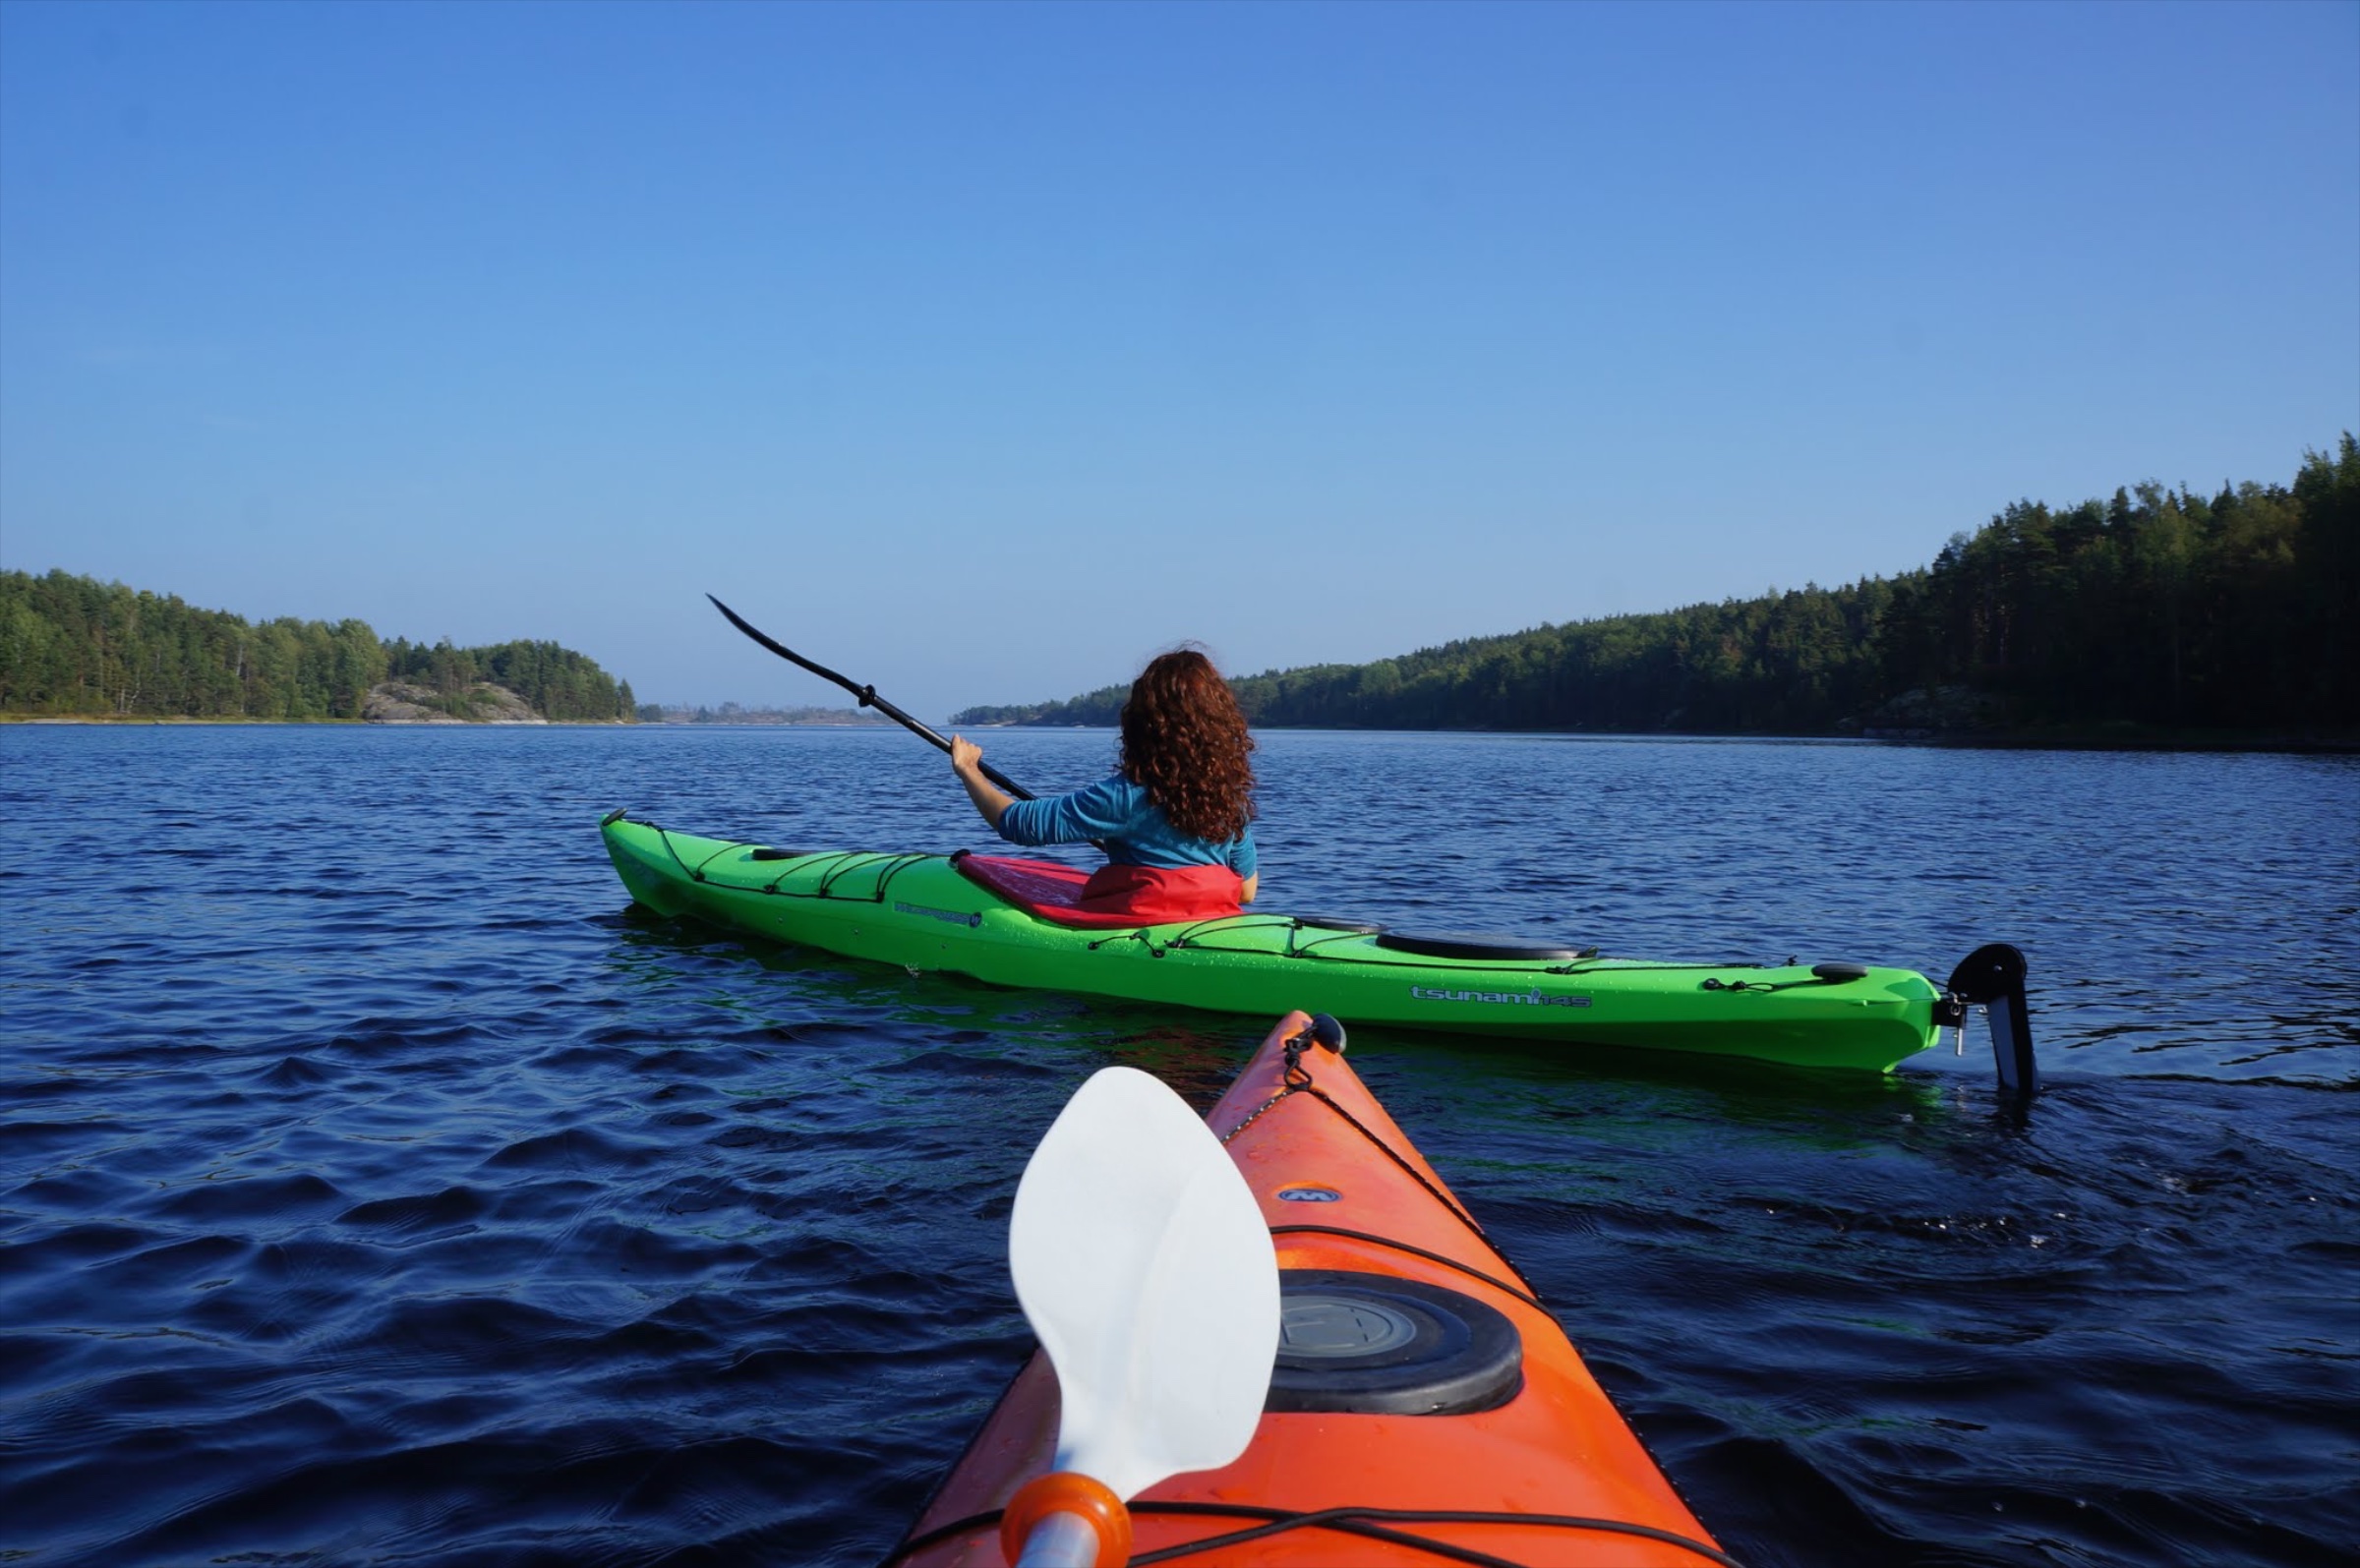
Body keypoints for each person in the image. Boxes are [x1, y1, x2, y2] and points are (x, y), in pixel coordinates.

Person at [950, 648, 1259, 917]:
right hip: (1209, 923)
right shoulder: (1226, 797)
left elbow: (1017, 823)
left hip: (1146, 928)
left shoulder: (1124, 797)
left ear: (1142, 724)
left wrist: (969, 770)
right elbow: (1246, 890)